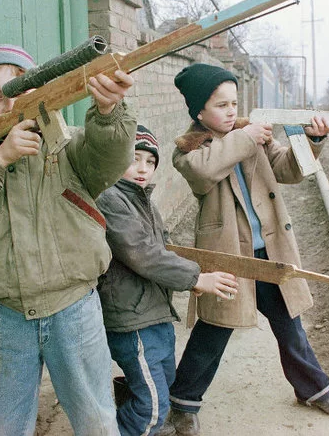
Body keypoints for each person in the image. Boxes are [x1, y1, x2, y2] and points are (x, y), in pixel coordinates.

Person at [0, 44, 136, 435]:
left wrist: (108, 111)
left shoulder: (71, 146)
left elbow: (110, 157)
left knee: (97, 422)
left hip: (75, 309)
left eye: (21, 87)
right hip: (5, 318)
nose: (9, 102)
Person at [165, 63, 329, 434]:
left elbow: (288, 170)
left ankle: (315, 390)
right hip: (230, 258)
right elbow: (205, 172)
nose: (231, 110)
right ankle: (183, 404)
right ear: (199, 112)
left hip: (269, 252)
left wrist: (312, 140)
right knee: (214, 330)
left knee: (290, 325)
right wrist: (247, 136)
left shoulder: (253, 137)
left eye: (234, 102)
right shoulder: (189, 149)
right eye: (221, 105)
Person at [95, 125, 239, 436]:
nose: (143, 169)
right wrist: (196, 278)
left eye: (150, 161)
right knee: (154, 405)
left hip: (154, 312)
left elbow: (161, 249)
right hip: (133, 319)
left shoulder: (141, 199)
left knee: (160, 383)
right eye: (134, 159)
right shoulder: (110, 198)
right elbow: (142, 253)